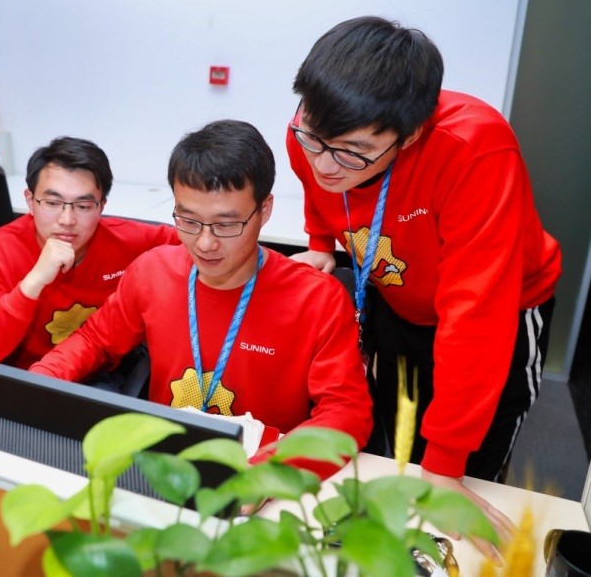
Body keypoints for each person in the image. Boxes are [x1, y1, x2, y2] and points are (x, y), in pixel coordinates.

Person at [285, 16, 560, 543]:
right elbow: (318, 186)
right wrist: (320, 243)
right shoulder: (311, 130)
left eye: (351, 151)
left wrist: (447, 465)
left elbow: (475, 313)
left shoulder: (475, 149)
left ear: (409, 135)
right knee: (399, 433)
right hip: (398, 296)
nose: (324, 163)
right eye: (313, 139)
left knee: (469, 473)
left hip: (499, 310)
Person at [30, 120, 372, 465]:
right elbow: (95, 341)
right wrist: (38, 382)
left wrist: (266, 472)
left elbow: (346, 413)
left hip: (262, 471)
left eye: (226, 224)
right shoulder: (152, 272)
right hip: (165, 464)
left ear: (264, 210)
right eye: (189, 221)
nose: (205, 243)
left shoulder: (316, 298)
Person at [0, 137, 181, 369]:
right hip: (27, 375)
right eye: (52, 203)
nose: (67, 220)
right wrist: (33, 282)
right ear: (30, 201)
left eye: (83, 206)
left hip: (100, 374)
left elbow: (194, 243)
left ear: (102, 206)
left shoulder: (126, 239)